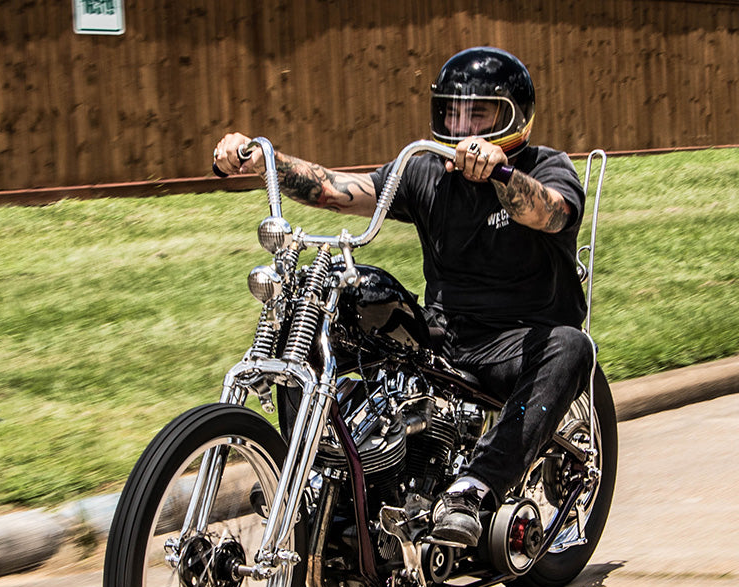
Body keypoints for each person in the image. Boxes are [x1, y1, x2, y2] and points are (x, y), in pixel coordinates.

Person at [212, 46, 593, 549]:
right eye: (451, 112)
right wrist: (266, 161)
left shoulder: (548, 167)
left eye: (477, 114)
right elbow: (333, 188)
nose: (462, 128)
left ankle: (473, 490)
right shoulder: (424, 171)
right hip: (444, 333)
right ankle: (308, 478)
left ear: (514, 117)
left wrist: (501, 173)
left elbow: (551, 213)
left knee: (574, 346)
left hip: (521, 344)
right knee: (325, 313)